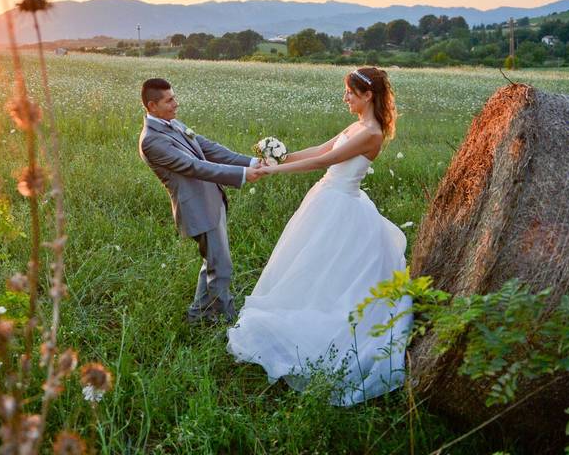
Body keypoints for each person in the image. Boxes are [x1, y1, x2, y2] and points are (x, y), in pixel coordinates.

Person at [226, 66, 412, 406]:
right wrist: (277, 157)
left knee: (329, 274)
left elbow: (325, 161)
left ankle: (320, 338)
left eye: (350, 94)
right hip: (326, 199)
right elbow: (317, 150)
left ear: (368, 95)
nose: (345, 98)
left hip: (341, 206)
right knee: (310, 271)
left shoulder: (371, 132)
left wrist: (274, 171)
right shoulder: (356, 125)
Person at [138, 78, 266, 324]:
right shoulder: (151, 140)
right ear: (152, 106)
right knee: (221, 268)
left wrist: (250, 162)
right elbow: (193, 166)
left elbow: (208, 148)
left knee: (214, 263)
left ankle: (198, 315)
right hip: (196, 207)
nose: (176, 103)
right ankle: (224, 320)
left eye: (174, 97)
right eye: (169, 100)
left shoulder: (171, 123)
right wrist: (242, 175)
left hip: (210, 199)